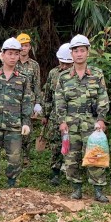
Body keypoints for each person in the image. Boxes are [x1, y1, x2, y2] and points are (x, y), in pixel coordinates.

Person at [54, 34, 110, 202]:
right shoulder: (63, 77)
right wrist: (61, 121)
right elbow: (59, 100)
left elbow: (103, 97)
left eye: (82, 50)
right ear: (71, 53)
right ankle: (76, 188)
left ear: (87, 52)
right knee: (71, 158)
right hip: (70, 123)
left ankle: (98, 189)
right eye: (76, 51)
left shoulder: (97, 74)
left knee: (95, 155)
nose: (79, 54)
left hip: (91, 123)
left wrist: (101, 119)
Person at [0, 38, 33, 194]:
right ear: (2, 55)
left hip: (14, 125)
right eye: (9, 53)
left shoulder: (23, 79)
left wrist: (26, 122)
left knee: (15, 158)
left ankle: (11, 186)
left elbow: (26, 101)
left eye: (16, 54)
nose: (13, 57)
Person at [42, 43, 72, 185]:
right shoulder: (53, 73)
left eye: (68, 63)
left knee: (74, 144)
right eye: (63, 63)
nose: (65, 66)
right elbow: (47, 95)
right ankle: (55, 172)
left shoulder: (78, 74)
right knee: (55, 144)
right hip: (55, 116)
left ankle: (72, 172)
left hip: (73, 116)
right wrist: (45, 115)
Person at [15, 33, 43, 164]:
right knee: (14, 128)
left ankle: (26, 156)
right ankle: (15, 155)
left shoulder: (34, 65)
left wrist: (38, 103)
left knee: (27, 128)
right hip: (14, 99)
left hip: (28, 100)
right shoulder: (12, 62)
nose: (23, 48)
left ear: (29, 47)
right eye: (21, 46)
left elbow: (37, 85)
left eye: (25, 46)